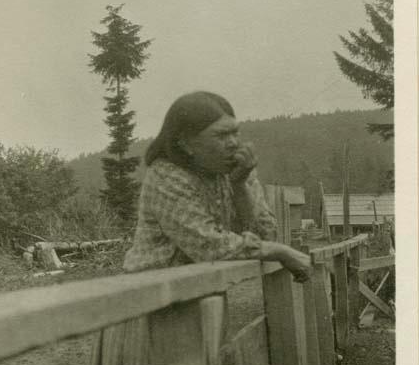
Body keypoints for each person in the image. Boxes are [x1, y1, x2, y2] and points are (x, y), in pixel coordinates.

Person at [124, 91, 310, 281]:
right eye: (221, 135)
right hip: (152, 294)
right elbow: (209, 246)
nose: (233, 143)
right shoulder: (166, 176)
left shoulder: (236, 170)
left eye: (235, 132)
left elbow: (266, 236)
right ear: (185, 143)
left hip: (201, 289)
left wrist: (239, 187)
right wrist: (281, 252)